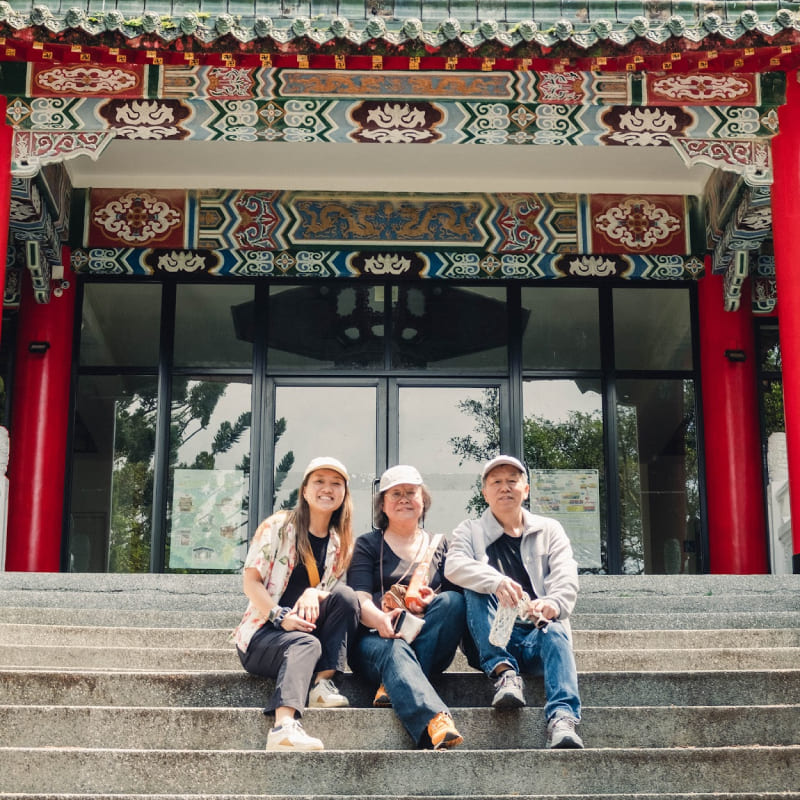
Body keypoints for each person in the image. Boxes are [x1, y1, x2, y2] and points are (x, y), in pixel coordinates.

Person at [445, 455, 584, 749]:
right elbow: (453, 565)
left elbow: (566, 577)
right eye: (496, 482)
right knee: (477, 586)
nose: (504, 488)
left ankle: (562, 719)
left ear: (526, 489)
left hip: (536, 636)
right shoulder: (469, 530)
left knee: (556, 627)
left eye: (512, 481)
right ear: (485, 492)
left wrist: (553, 604)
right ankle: (504, 673)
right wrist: (495, 581)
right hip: (490, 637)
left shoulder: (549, 529)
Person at [234, 456, 360, 751]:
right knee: (305, 643)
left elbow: (334, 595)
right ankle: (283, 727)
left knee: (346, 598)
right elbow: (250, 582)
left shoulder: (340, 543)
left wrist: (314, 592)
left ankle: (321, 684)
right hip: (262, 635)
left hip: (306, 634)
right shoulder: (278, 525)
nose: (327, 489)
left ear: (343, 494)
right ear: (304, 490)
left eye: (335, 484)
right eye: (319, 481)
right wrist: (279, 616)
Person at [347, 465, 466, 750]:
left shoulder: (442, 545)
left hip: (428, 640)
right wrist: (379, 619)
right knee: (395, 648)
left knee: (452, 601)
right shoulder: (366, 545)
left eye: (411, 493)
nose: (404, 499)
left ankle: (394, 683)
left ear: (423, 500)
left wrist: (428, 602)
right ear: (383, 505)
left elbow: (453, 609)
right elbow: (359, 598)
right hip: (375, 644)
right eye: (395, 494)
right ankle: (435, 719)